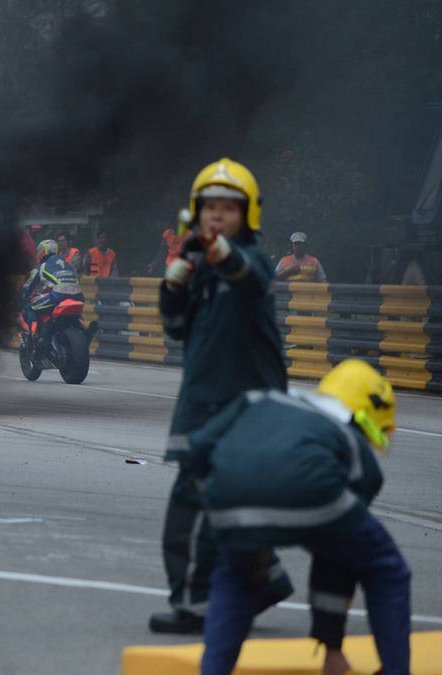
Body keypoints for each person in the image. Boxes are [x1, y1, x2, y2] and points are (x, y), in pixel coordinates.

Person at [188, 360, 409, 675]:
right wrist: (331, 643)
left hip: (228, 491)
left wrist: (214, 497)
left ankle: (213, 670)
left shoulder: (262, 398)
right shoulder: (350, 439)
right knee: (387, 569)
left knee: (238, 576)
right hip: (312, 490)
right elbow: (337, 558)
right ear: (365, 418)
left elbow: (198, 448)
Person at [152, 157, 293, 633]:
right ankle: (265, 578)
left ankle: (193, 605)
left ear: (247, 214)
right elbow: (176, 331)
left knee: (192, 507)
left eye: (228, 208)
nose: (217, 216)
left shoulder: (254, 262)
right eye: (209, 207)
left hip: (244, 407)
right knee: (229, 504)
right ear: (195, 212)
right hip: (204, 402)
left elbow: (248, 278)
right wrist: (174, 286)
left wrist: (218, 255)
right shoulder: (199, 270)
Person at [21, 239, 85, 357]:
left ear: (45, 251)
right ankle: (84, 329)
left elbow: (30, 287)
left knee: (30, 306)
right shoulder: (67, 264)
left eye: (40, 251)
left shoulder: (42, 266)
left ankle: (35, 338)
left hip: (58, 295)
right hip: (79, 296)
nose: (38, 254)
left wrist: (23, 298)